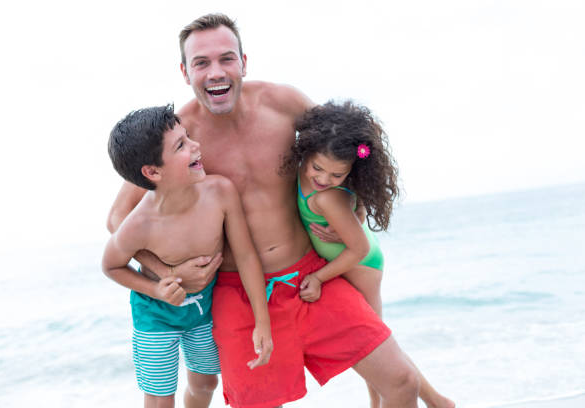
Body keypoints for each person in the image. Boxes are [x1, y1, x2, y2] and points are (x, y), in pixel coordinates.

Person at [107, 13, 424, 408]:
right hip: (237, 294)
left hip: (311, 277)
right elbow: (119, 219)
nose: (216, 72)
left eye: (226, 58)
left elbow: (345, 143)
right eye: (201, 63)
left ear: (244, 62)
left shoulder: (284, 102)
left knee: (401, 381)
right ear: (185, 72)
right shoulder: (179, 136)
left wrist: (355, 208)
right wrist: (166, 271)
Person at [282, 100, 455, 408]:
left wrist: (319, 277)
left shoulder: (327, 198)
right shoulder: (304, 174)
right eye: (317, 168)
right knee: (375, 345)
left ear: (350, 172)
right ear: (305, 151)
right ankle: (435, 402)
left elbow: (358, 247)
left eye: (337, 175)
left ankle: (433, 402)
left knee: (373, 346)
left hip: (362, 264)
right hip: (353, 257)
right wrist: (356, 211)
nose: (322, 179)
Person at [102, 104, 272, 408]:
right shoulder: (140, 223)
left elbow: (246, 257)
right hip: (155, 315)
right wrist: (156, 288)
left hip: (203, 309)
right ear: (153, 171)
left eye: (188, 136)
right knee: (159, 397)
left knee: (206, 381)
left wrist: (263, 322)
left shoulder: (220, 192)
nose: (196, 146)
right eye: (182, 145)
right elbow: (111, 265)